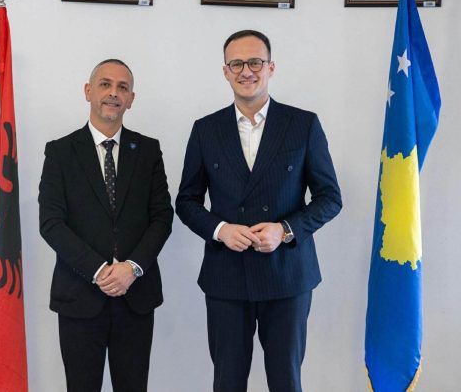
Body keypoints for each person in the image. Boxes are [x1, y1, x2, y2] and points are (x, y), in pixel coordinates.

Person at [176, 30, 342, 391]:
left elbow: (330, 197)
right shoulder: (205, 130)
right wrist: (221, 229)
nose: (246, 71)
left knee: (286, 382)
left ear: (270, 67)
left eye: (255, 62)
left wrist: (285, 230)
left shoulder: (303, 124)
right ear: (225, 71)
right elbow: (186, 201)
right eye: (236, 64)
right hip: (226, 276)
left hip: (287, 276)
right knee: (228, 382)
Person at [39, 59, 173, 392]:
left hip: (135, 295)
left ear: (131, 99)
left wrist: (133, 268)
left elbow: (162, 217)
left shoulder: (148, 150)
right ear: (88, 91)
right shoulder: (60, 152)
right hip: (80, 297)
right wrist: (99, 271)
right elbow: (51, 223)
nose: (114, 93)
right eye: (105, 84)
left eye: (122, 87)